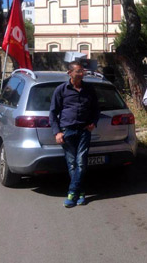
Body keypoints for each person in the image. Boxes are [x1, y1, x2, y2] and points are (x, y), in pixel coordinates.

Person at [49, 61, 100, 208]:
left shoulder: (89, 89)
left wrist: (94, 123)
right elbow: (53, 112)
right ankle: (81, 192)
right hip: (67, 131)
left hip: (84, 130)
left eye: (82, 71)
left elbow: (96, 109)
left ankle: (72, 193)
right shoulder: (61, 90)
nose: (81, 73)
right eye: (78, 71)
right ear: (70, 73)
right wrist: (57, 132)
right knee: (72, 163)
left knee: (81, 163)